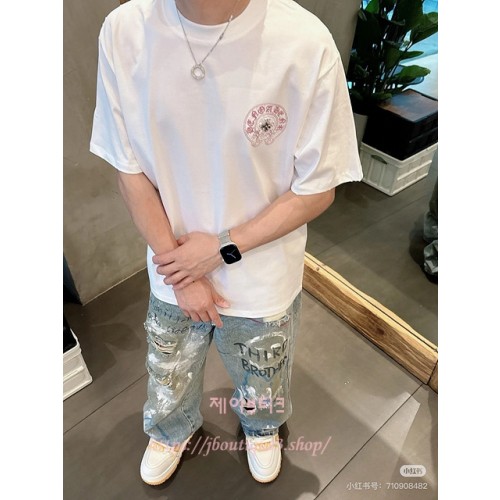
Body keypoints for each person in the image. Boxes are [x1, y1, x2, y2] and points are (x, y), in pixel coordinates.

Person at [90, 0, 362, 486]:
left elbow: (318, 186)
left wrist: (218, 250)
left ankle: (261, 426)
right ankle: (170, 428)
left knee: (265, 371)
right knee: (169, 368)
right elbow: (129, 169)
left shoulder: (304, 41)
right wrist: (183, 273)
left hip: (262, 274)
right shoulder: (125, 30)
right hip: (170, 263)